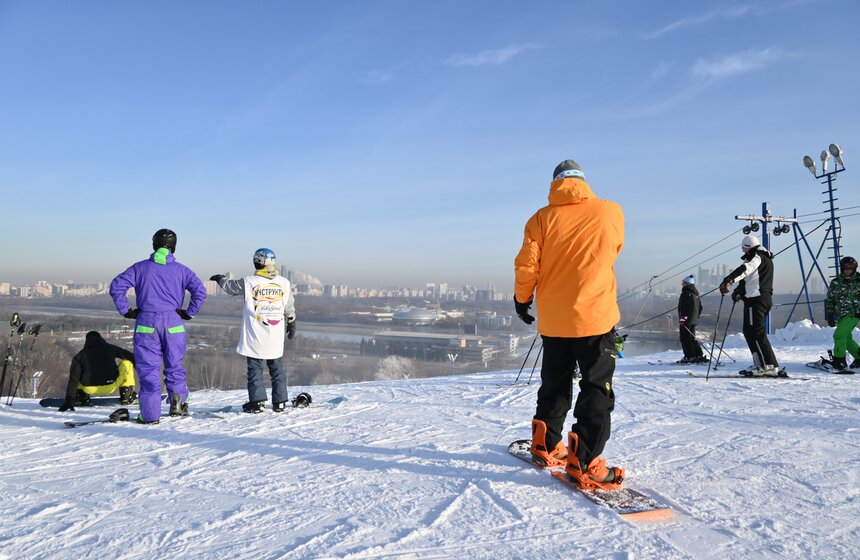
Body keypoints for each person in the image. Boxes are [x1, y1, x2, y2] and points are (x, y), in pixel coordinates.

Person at [514, 159, 625, 491]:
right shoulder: (611, 212)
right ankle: (586, 463)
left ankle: (545, 445)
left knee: (555, 383)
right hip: (595, 316)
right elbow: (612, 251)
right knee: (595, 388)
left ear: (555, 183)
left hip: (554, 319)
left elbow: (526, 265)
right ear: (583, 181)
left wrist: (522, 300)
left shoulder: (540, 219)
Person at [109, 229, 206, 423]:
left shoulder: (140, 268)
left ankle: (150, 414)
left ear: (154, 245)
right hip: (174, 324)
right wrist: (189, 312)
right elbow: (200, 292)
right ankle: (178, 406)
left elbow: (116, 286)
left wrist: (126, 310)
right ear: (174, 246)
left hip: (147, 323)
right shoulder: (182, 270)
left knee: (148, 370)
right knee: (174, 366)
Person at [210, 248, 296, 413]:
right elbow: (289, 305)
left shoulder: (250, 281)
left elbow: (230, 287)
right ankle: (280, 402)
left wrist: (220, 278)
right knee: (277, 368)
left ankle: (257, 402)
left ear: (258, 262)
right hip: (275, 334)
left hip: (256, 334)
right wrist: (291, 322)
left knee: (255, 368)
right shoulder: (284, 282)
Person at [719, 234, 782, 376]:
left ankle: (769, 366)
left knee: (756, 332)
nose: (742, 251)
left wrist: (728, 280)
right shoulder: (759, 257)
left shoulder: (758, 257)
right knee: (749, 331)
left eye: (743, 248)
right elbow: (749, 279)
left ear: (748, 247)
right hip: (754, 299)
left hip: (757, 300)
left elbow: (745, 269)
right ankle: (760, 364)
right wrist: (738, 292)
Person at [58, 331, 137, 412]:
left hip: (88, 388)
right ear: (100, 338)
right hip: (111, 386)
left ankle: (80, 398)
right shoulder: (110, 348)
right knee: (127, 363)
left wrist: (70, 400)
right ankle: (126, 396)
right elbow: (131, 356)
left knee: (77, 373)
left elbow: (73, 379)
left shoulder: (80, 355)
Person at [824, 256, 860, 370]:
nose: (848, 270)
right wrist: (830, 313)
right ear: (842, 268)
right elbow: (831, 299)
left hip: (853, 314)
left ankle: (839, 361)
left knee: (839, 336)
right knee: (846, 338)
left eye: (851, 268)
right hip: (841, 315)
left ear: (854, 269)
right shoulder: (836, 282)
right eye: (846, 268)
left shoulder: (858, 281)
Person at [677, 275, 706, 364]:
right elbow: (700, 307)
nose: (682, 285)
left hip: (686, 319)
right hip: (693, 320)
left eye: (683, 283)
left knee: (685, 337)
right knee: (691, 337)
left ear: (687, 283)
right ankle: (698, 354)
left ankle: (690, 356)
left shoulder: (686, 293)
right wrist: (696, 317)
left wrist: (683, 319)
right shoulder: (695, 294)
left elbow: (685, 308)